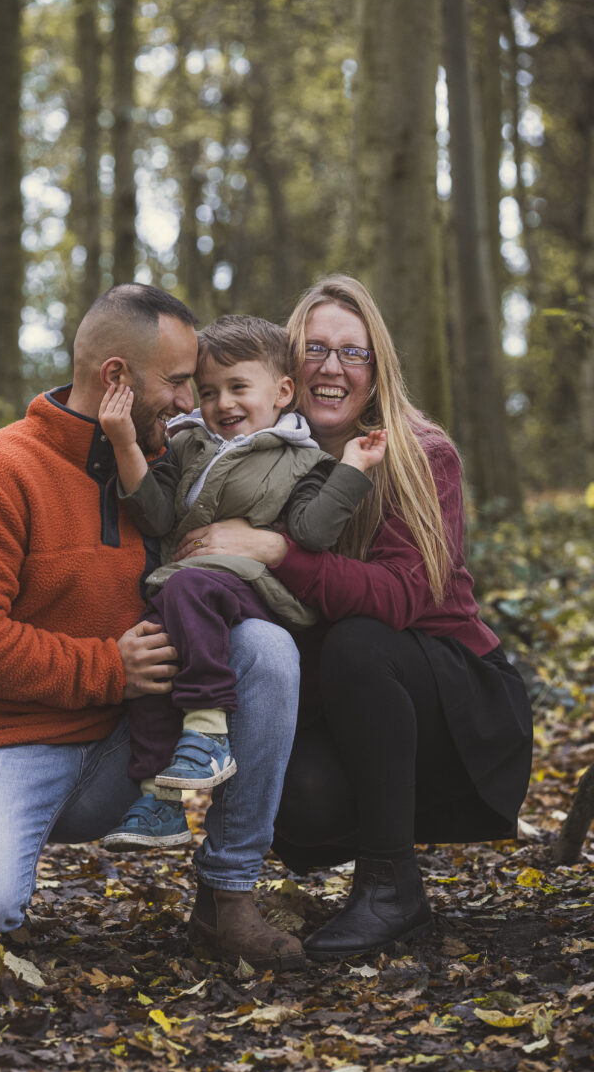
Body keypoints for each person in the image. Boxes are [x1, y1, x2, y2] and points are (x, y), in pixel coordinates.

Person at [0, 283, 306, 971]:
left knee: (264, 648)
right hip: (2, 741)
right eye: (178, 382)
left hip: (129, 745)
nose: (190, 402)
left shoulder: (171, 475)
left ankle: (226, 900)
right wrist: (107, 668)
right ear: (115, 377)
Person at [172, 275, 533, 960]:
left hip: (453, 706)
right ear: (284, 372)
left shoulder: (420, 453)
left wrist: (274, 548)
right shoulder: (259, 456)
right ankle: (224, 889)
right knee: (279, 724)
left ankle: (392, 885)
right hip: (348, 705)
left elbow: (401, 599)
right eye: (314, 348)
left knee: (359, 641)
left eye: (353, 352)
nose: (332, 367)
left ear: (377, 367)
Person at [95, 315, 386, 852]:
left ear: (281, 392)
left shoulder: (305, 460)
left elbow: (312, 533)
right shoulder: (187, 448)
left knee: (187, 589)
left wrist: (353, 470)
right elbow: (156, 517)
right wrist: (125, 446)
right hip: (185, 592)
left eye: (237, 388)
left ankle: (207, 729)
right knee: (156, 654)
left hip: (256, 593)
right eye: (208, 392)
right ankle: (159, 795)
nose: (222, 403)